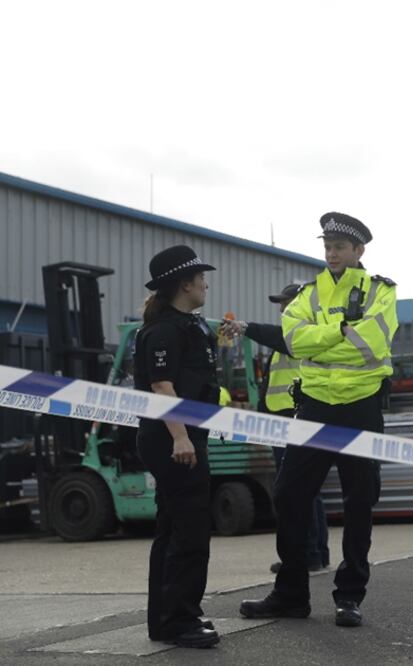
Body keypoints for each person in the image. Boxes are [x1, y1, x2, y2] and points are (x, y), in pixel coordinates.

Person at [239, 212, 396, 628]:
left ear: (359, 250)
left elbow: (370, 344)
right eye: (327, 246)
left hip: (361, 407)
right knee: (288, 495)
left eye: (339, 247)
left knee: (359, 502)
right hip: (314, 407)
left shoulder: (381, 291)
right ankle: (291, 594)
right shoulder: (308, 293)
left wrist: (319, 340)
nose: (332, 254)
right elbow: (293, 340)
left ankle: (350, 596)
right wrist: (341, 331)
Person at [134, 245, 222, 648]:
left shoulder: (185, 326)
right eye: (200, 277)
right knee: (190, 533)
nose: (205, 284)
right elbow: (161, 387)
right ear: (185, 284)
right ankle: (179, 620)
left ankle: (167, 618)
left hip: (181, 436)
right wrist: (181, 437)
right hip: (174, 439)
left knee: (173, 530)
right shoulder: (165, 330)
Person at [221, 284, 330, 573]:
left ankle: (305, 555)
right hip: (285, 421)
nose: (282, 309)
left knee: (296, 491)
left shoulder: (303, 334)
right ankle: (316, 553)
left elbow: (276, 337)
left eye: (286, 303)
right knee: (307, 491)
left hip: (292, 421)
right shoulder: (298, 335)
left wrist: (245, 327)